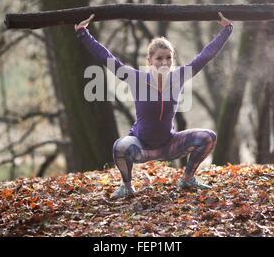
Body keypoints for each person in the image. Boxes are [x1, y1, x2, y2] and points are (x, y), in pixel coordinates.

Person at [74, 12, 233, 199]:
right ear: (149, 61)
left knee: (208, 137)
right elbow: (108, 60)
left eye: (168, 58)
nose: (164, 62)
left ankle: (188, 178)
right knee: (120, 147)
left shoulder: (178, 77)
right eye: (159, 58)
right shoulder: (136, 78)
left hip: (169, 145)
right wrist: (83, 33)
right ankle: (127, 186)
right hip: (141, 146)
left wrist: (227, 30)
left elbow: (204, 56)